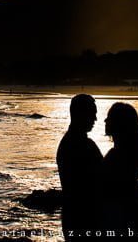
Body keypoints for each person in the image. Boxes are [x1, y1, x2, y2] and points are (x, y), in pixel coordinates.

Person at [57, 94, 103, 237]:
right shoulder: (82, 145)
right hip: (83, 217)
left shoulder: (68, 142)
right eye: (92, 114)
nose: (95, 119)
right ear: (81, 114)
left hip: (72, 215)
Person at [102, 102, 138, 235]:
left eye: (109, 117)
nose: (105, 120)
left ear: (118, 123)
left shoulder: (117, 155)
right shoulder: (132, 152)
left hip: (119, 216)